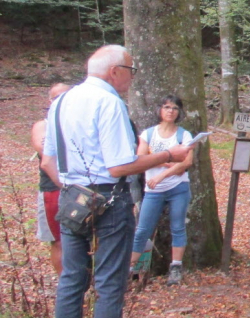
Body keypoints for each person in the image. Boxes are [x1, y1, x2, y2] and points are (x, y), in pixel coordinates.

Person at [42, 45, 193, 318]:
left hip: (71, 197)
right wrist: (169, 155)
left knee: (72, 277)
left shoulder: (62, 101)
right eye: (130, 70)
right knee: (110, 281)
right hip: (109, 200)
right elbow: (119, 166)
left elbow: (47, 162)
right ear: (114, 71)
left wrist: (72, 190)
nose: (132, 77)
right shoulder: (109, 102)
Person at [129, 95, 196, 285]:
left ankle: (176, 267)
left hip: (178, 187)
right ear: (160, 110)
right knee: (142, 229)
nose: (170, 111)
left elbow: (186, 163)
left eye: (174, 108)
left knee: (178, 227)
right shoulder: (148, 134)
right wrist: (169, 160)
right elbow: (141, 159)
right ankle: (130, 268)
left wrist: (161, 171)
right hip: (153, 190)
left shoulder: (184, 135)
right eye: (166, 107)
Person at [30, 82, 71, 274]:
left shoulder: (79, 123)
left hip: (83, 189)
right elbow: (46, 153)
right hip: (53, 189)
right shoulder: (43, 125)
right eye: (57, 98)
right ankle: (65, 283)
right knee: (58, 240)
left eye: (66, 97)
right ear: (50, 101)